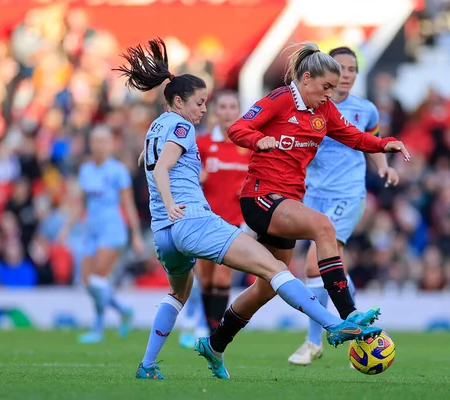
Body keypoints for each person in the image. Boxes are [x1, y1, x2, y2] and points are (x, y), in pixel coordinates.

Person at [119, 38, 383, 380]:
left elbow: (147, 160)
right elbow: (161, 167)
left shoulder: (155, 129)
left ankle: (156, 363)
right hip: (192, 220)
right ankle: (338, 324)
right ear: (179, 101)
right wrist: (172, 203)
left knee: (184, 293)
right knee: (276, 269)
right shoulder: (183, 126)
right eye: (200, 103)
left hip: (163, 232)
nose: (204, 111)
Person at [198, 41, 410, 379]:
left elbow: (354, 137)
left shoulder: (323, 111)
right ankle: (348, 313)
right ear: (306, 79)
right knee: (324, 227)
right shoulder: (281, 98)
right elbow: (238, 128)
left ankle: (216, 343)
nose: (329, 94)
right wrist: (258, 140)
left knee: (267, 286)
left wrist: (386, 144)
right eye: (325, 87)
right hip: (260, 197)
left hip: (287, 202)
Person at [288, 46, 399, 365]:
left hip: (347, 195)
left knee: (313, 264)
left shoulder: (366, 110)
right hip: (312, 195)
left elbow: (371, 141)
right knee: (329, 269)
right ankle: (353, 318)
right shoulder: (310, 108)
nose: (348, 75)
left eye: (353, 69)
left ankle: (314, 340)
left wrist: (383, 167)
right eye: (343, 68)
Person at [59, 125, 145, 344]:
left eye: (103, 141)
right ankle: (123, 311)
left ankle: (98, 326)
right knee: (88, 281)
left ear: (110, 144)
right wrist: (67, 226)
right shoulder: (86, 170)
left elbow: (128, 204)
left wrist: (135, 234)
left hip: (112, 230)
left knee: (98, 279)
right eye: (95, 141)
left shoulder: (118, 171)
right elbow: (82, 204)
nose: (99, 145)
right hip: (91, 230)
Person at [179, 90, 250, 349]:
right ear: (216, 112)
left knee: (222, 278)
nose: (228, 111)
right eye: (223, 106)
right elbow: (184, 171)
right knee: (205, 279)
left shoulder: (248, 145)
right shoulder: (204, 144)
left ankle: (212, 333)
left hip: (233, 223)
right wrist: (197, 178)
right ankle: (206, 329)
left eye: (233, 106)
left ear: (239, 110)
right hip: (204, 220)